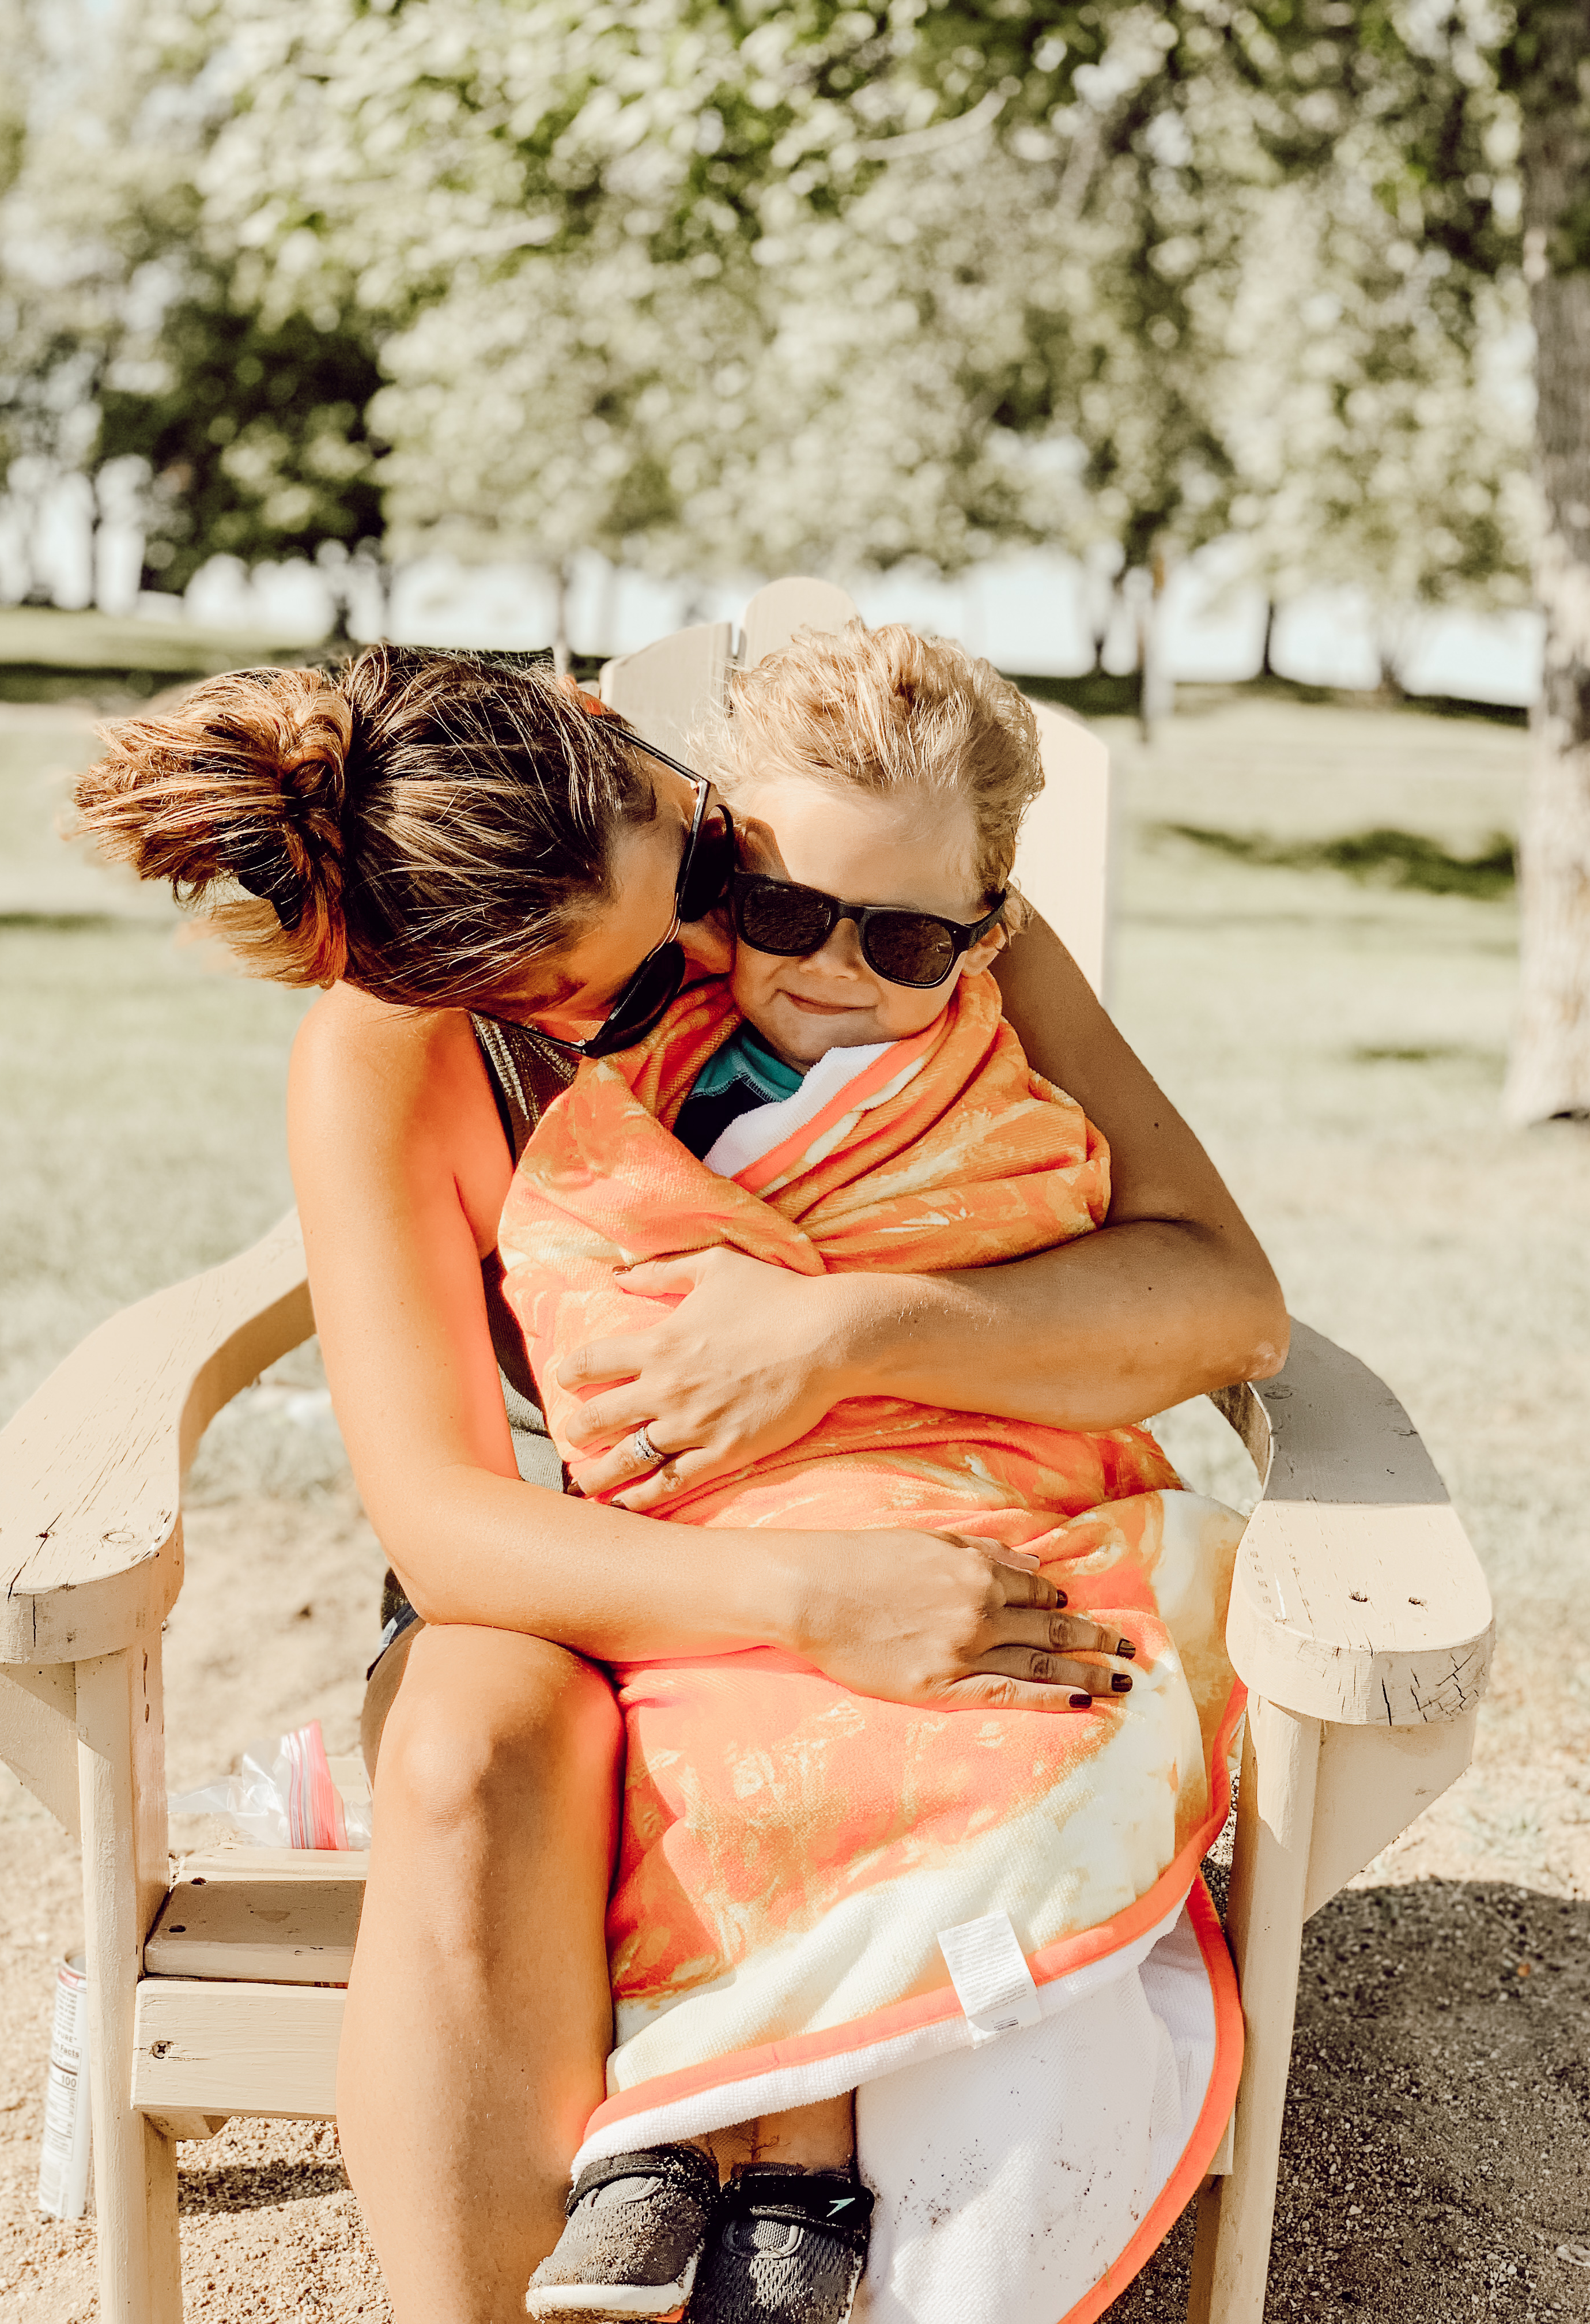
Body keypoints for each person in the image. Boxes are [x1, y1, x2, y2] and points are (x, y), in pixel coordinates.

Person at [70, 640, 1288, 2324]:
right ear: (470, 989)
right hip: (565, 1553)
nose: (709, 963)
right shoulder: (394, 1048)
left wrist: (838, 1335)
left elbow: (1223, 1296)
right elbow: (440, 1515)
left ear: (622, 742)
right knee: (474, 1748)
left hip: (909, 1476)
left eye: (698, 874)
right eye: (602, 998)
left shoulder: (878, 906)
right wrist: (802, 1603)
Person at [500, 624, 1245, 2324]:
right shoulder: (644, 1054)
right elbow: (586, 1248)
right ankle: (693, 2137)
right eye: (782, 914)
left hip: (972, 1484)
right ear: (710, 884)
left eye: (906, 938)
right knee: (708, 1718)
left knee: (985, 1688)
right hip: (727, 1529)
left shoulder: (989, 1060)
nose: (836, 971)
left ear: (986, 931)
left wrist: (830, 1332)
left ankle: (771, 2169)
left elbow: (1155, 1268)